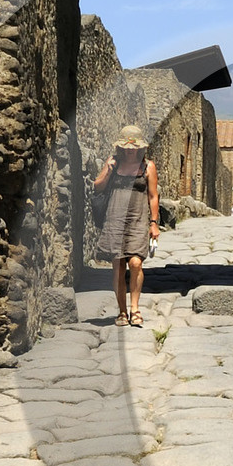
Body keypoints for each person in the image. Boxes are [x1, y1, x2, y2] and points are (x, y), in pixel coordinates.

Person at [93, 125, 158, 328]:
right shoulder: (113, 163)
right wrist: (108, 170)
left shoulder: (148, 167)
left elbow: (153, 196)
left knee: (136, 263)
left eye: (134, 147)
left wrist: (154, 223)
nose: (131, 150)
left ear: (140, 148)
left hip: (138, 220)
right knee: (119, 266)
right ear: (121, 147)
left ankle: (135, 308)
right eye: (127, 147)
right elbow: (98, 186)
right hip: (115, 220)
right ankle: (122, 311)